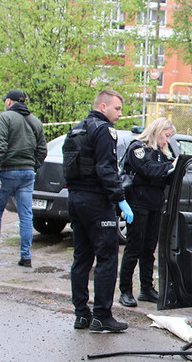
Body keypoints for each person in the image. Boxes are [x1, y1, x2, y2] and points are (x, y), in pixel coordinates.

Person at [65, 89, 134, 333]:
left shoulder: (77, 129)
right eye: (117, 109)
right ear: (103, 107)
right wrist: (120, 199)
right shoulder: (103, 131)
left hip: (76, 200)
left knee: (81, 258)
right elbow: (106, 169)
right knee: (106, 258)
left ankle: (81, 314)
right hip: (96, 202)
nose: (120, 114)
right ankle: (102, 315)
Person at [0, 90, 47, 267]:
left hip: (6, 172)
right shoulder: (36, 121)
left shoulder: (5, 118)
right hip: (27, 174)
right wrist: (33, 166)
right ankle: (26, 256)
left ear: (9, 102)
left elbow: (0, 143)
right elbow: (42, 149)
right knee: (26, 215)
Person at [118, 117, 176, 307]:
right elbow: (146, 169)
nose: (167, 141)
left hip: (155, 205)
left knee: (149, 249)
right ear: (157, 131)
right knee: (134, 247)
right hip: (138, 203)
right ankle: (125, 290)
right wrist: (169, 167)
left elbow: (164, 177)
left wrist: (175, 168)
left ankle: (146, 288)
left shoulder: (162, 153)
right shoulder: (139, 148)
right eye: (166, 136)